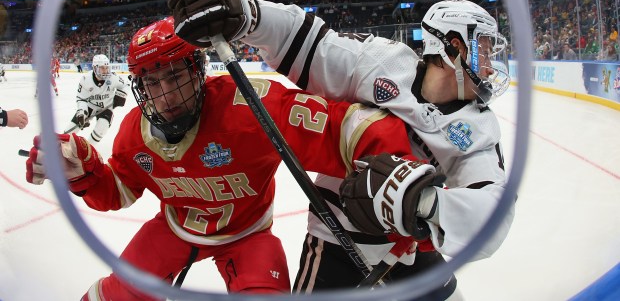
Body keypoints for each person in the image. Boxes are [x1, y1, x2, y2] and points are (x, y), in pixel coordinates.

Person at [23, 16, 432, 300]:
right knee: (116, 293)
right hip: (175, 228)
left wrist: (397, 169)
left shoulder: (251, 106)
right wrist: (84, 173)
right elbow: (118, 192)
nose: (164, 94)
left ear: (198, 69)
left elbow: (342, 129)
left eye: (174, 75)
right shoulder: (134, 131)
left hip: (248, 234)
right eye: (151, 81)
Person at [169, 0, 515, 298]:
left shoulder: (479, 129)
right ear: (454, 47)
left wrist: (422, 203)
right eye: (483, 48)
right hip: (337, 239)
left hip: (407, 245)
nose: (490, 64)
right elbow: (310, 45)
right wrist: (248, 13)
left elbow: (494, 216)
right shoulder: (384, 61)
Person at [63, 54, 128, 143]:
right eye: (102, 68)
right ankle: (60, 145)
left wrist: (122, 94)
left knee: (102, 128)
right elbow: (81, 99)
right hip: (90, 106)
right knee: (70, 129)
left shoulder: (113, 77)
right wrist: (82, 112)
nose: (105, 71)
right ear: (95, 68)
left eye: (106, 68)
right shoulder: (86, 79)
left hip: (106, 107)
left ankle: (89, 149)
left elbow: (125, 84)